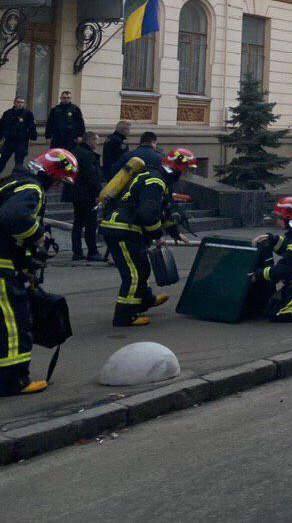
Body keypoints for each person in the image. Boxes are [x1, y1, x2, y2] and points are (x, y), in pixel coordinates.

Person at [0, 148, 78, 396]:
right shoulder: (31, 188)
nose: (57, 186)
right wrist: (38, 235)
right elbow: (13, 218)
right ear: (52, 173)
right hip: (2, 267)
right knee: (15, 325)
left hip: (8, 264)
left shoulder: (15, 183)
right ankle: (13, 381)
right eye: (59, 180)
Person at [100, 148, 197, 326]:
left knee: (142, 267)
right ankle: (124, 316)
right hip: (122, 230)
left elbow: (162, 210)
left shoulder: (160, 179)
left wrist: (174, 232)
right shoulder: (155, 181)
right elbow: (148, 214)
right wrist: (158, 235)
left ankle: (144, 301)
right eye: (186, 169)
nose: (187, 173)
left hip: (128, 230)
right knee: (133, 274)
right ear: (177, 167)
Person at [69, 132, 105, 261]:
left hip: (76, 193)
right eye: (96, 140)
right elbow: (92, 176)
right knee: (90, 223)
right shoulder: (88, 155)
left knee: (78, 223)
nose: (98, 143)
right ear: (90, 141)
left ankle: (77, 251)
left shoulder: (75, 151)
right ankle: (92, 251)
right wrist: (98, 193)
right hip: (88, 194)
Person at [0, 97, 38, 174]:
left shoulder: (27, 114)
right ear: (14, 102)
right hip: (9, 141)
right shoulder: (8, 113)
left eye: (22, 102)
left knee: (19, 164)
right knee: (2, 160)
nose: (20, 104)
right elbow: (1, 126)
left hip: (21, 142)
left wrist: (33, 139)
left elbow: (32, 127)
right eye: (18, 102)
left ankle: (16, 179)